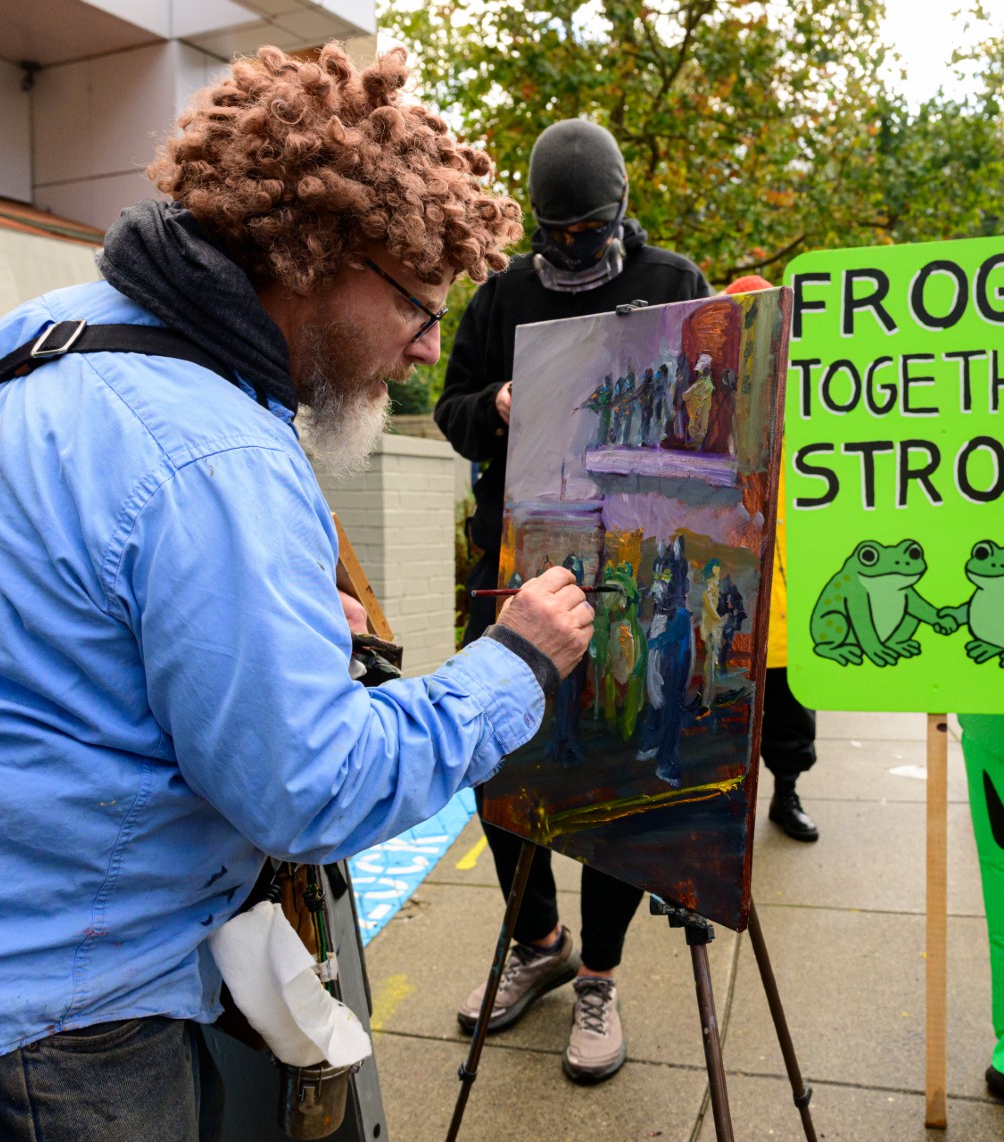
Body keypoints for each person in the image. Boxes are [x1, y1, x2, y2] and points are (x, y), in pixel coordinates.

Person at [0, 44, 595, 1138]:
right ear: (315, 255)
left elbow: (40, 614)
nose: (427, 349)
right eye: (417, 305)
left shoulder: (26, 342)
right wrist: (514, 665)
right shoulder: (216, 456)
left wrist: (261, 627)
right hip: (40, 1021)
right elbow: (311, 790)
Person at [433, 118, 710, 1084]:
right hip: (518, 567)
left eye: (593, 233)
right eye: (561, 236)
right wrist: (499, 405)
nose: (578, 251)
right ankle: (538, 938)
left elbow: (711, 400)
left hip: (631, 559)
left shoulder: (672, 281)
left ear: (622, 210)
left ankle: (598, 974)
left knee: (615, 772)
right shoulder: (501, 295)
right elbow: (449, 406)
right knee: (496, 758)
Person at [718, 273, 821, 841]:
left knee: (788, 715)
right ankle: (726, 808)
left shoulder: (806, 408)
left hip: (790, 595)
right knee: (727, 713)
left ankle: (786, 795)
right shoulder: (715, 408)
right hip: (733, 589)